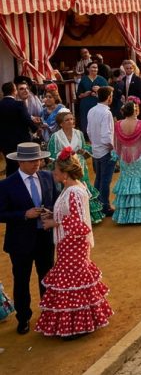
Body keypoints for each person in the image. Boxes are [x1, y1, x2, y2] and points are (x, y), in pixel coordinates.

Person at [34, 147, 113, 339]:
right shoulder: (70, 189)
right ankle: (75, 324)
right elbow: (72, 216)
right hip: (67, 244)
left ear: (65, 173)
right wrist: (54, 215)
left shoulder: (74, 192)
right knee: (72, 283)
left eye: (56, 171)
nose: (53, 173)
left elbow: (80, 225)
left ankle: (75, 327)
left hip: (74, 246)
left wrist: (55, 221)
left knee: (72, 283)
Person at [0, 143, 60, 334]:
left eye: (39, 159)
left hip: (44, 238)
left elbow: (57, 201)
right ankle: (23, 318)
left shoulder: (48, 176)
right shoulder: (7, 184)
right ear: (21, 162)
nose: (37, 163)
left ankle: (48, 313)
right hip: (20, 243)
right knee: (21, 281)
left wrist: (50, 212)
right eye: (33, 160)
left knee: (47, 278)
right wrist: (24, 214)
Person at [47, 111, 103, 224]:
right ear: (61, 124)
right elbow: (51, 155)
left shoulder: (79, 133)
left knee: (82, 187)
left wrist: (84, 151)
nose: (70, 121)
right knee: (67, 189)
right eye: (67, 120)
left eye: (72, 119)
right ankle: (69, 216)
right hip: (64, 168)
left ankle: (87, 216)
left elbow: (84, 148)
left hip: (79, 166)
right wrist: (63, 155)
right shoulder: (55, 136)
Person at [86, 87, 116, 218]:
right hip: (105, 150)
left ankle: (97, 204)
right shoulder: (106, 113)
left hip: (95, 150)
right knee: (105, 180)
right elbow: (106, 135)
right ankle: (105, 206)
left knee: (98, 179)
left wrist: (95, 144)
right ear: (109, 97)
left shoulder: (92, 110)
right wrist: (112, 148)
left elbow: (88, 131)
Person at [0, 82, 39, 177]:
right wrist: (35, 129)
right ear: (14, 91)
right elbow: (27, 120)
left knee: (10, 164)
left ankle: (10, 184)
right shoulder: (19, 104)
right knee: (22, 165)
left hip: (4, 142)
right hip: (21, 141)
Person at [76, 62, 107, 135]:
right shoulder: (83, 79)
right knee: (86, 121)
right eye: (93, 67)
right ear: (88, 69)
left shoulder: (102, 79)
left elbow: (109, 92)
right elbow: (79, 95)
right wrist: (84, 94)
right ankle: (87, 137)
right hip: (86, 104)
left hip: (98, 103)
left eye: (96, 67)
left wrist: (100, 89)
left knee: (98, 121)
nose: (95, 69)